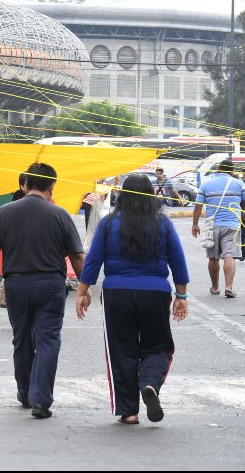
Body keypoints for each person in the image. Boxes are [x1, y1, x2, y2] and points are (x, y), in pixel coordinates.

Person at [76, 174, 189, 425]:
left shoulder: (108, 223)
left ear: (122, 195)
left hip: (117, 294)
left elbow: (93, 260)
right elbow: (178, 261)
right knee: (159, 346)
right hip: (156, 292)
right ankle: (149, 382)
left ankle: (128, 411)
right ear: (151, 196)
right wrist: (181, 295)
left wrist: (83, 291)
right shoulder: (163, 223)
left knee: (120, 350)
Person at [0, 163, 86, 419]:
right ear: (52, 186)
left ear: (25, 185)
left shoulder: (4, 212)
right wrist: (84, 287)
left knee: (21, 338)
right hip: (51, 285)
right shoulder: (60, 215)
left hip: (16, 284)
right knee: (48, 339)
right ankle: (41, 400)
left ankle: (25, 392)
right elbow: (77, 256)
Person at [192, 159, 245, 298]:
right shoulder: (239, 184)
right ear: (232, 170)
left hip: (212, 225)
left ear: (219, 169)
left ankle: (215, 287)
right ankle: (229, 287)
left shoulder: (206, 183)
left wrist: (195, 224)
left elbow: (198, 206)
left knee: (213, 258)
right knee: (229, 255)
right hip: (232, 225)